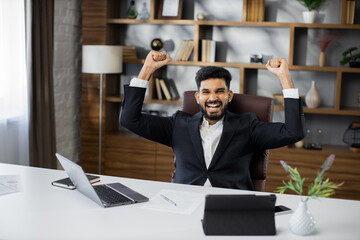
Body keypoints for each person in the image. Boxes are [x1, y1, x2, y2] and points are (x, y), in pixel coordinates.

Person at [120, 50, 304, 190]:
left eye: (219, 91)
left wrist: (284, 78)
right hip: (186, 202)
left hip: (230, 209)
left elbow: (293, 132)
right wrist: (147, 70)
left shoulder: (247, 126)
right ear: (197, 97)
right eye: (206, 92)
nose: (213, 98)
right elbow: (130, 120)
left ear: (229, 95)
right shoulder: (178, 125)